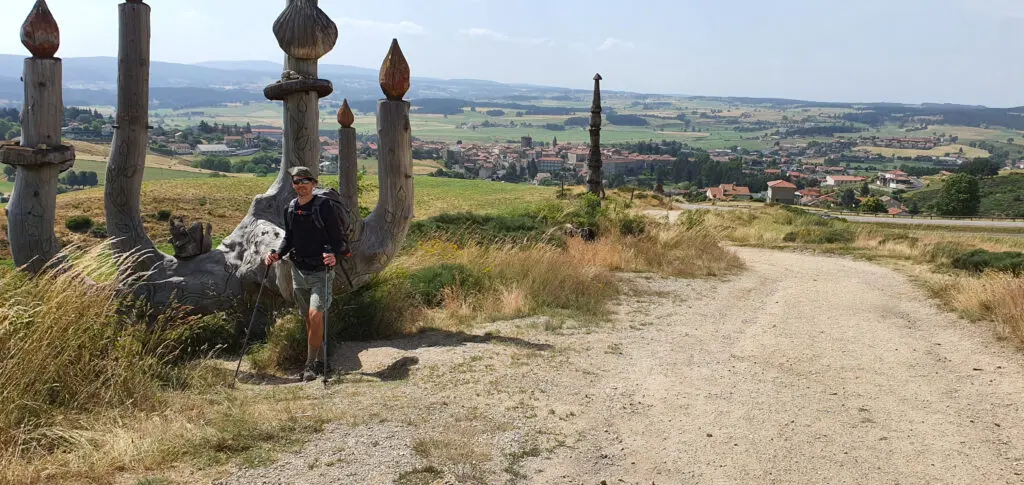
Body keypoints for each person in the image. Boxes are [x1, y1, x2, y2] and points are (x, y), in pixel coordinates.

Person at [265, 166, 348, 382]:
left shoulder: (325, 206)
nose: (300, 184)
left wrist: (335, 257)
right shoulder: (290, 208)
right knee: (309, 320)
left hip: (321, 271)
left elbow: (338, 238)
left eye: (305, 180)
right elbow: (289, 239)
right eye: (296, 181)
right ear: (293, 185)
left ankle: (310, 365)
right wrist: (276, 253)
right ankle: (321, 361)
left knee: (315, 315)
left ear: (314, 184)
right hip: (298, 270)